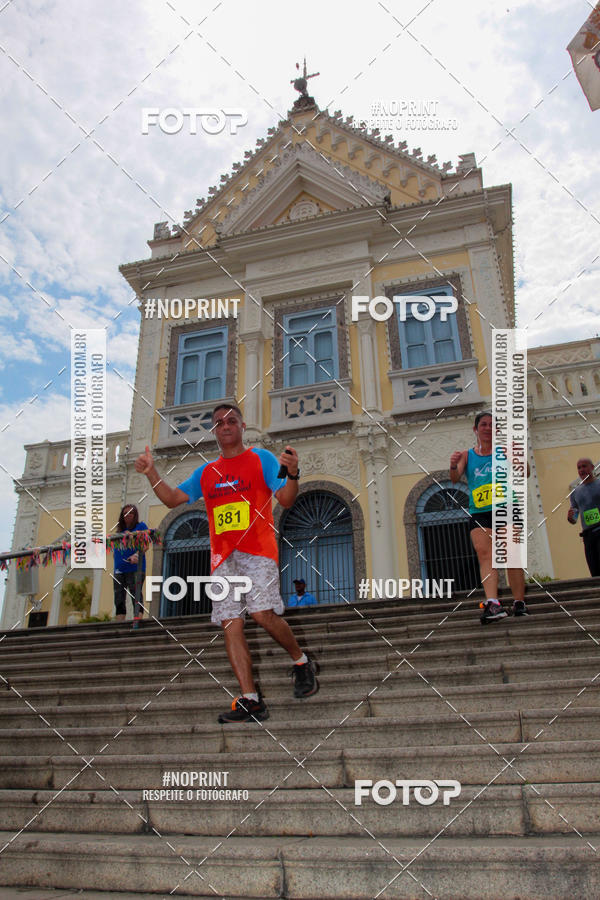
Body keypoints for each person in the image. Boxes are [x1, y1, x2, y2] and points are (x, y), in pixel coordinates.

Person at [134, 402, 318, 723]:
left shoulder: (261, 459)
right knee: (230, 623)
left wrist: (292, 473)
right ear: (214, 431)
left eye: (231, 420)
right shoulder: (206, 473)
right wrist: (152, 472)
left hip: (258, 552)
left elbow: (286, 499)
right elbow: (172, 499)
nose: (225, 426)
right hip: (222, 561)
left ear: (242, 426)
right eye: (218, 423)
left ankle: (301, 661)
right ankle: (251, 700)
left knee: (261, 614)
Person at [450, 411, 530, 624]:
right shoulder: (468, 455)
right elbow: (455, 477)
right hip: (479, 511)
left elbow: (526, 473)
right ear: (476, 430)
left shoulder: (505, 450)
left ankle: (519, 602)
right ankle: (493, 603)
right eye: (483, 424)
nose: (488, 428)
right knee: (485, 555)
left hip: (506, 508)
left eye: (492, 425)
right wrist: (452, 463)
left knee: (511, 554)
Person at [113, 505, 147, 628]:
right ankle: (119, 624)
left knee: (135, 594)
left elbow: (145, 545)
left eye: (131, 513)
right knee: (119, 598)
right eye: (125, 513)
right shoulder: (119, 533)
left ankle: (137, 620)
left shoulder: (141, 527)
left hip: (135, 568)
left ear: (135, 515)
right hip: (119, 569)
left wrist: (137, 555)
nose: (128, 515)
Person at [567, 458, 600, 576]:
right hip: (588, 535)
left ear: (592, 467)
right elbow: (574, 518)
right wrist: (570, 517)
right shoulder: (576, 492)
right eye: (579, 468)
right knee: (594, 570)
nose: (582, 470)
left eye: (584, 466)